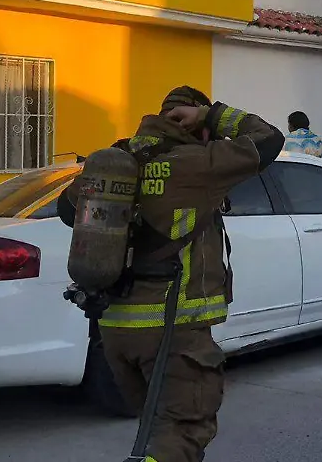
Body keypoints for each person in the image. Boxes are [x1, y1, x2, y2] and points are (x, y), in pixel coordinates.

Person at [58, 86, 284, 462]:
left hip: (113, 330)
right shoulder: (198, 163)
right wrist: (212, 117)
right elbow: (269, 140)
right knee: (183, 432)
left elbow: (69, 211)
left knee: (158, 430)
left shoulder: (121, 158)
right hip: (171, 329)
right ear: (197, 123)